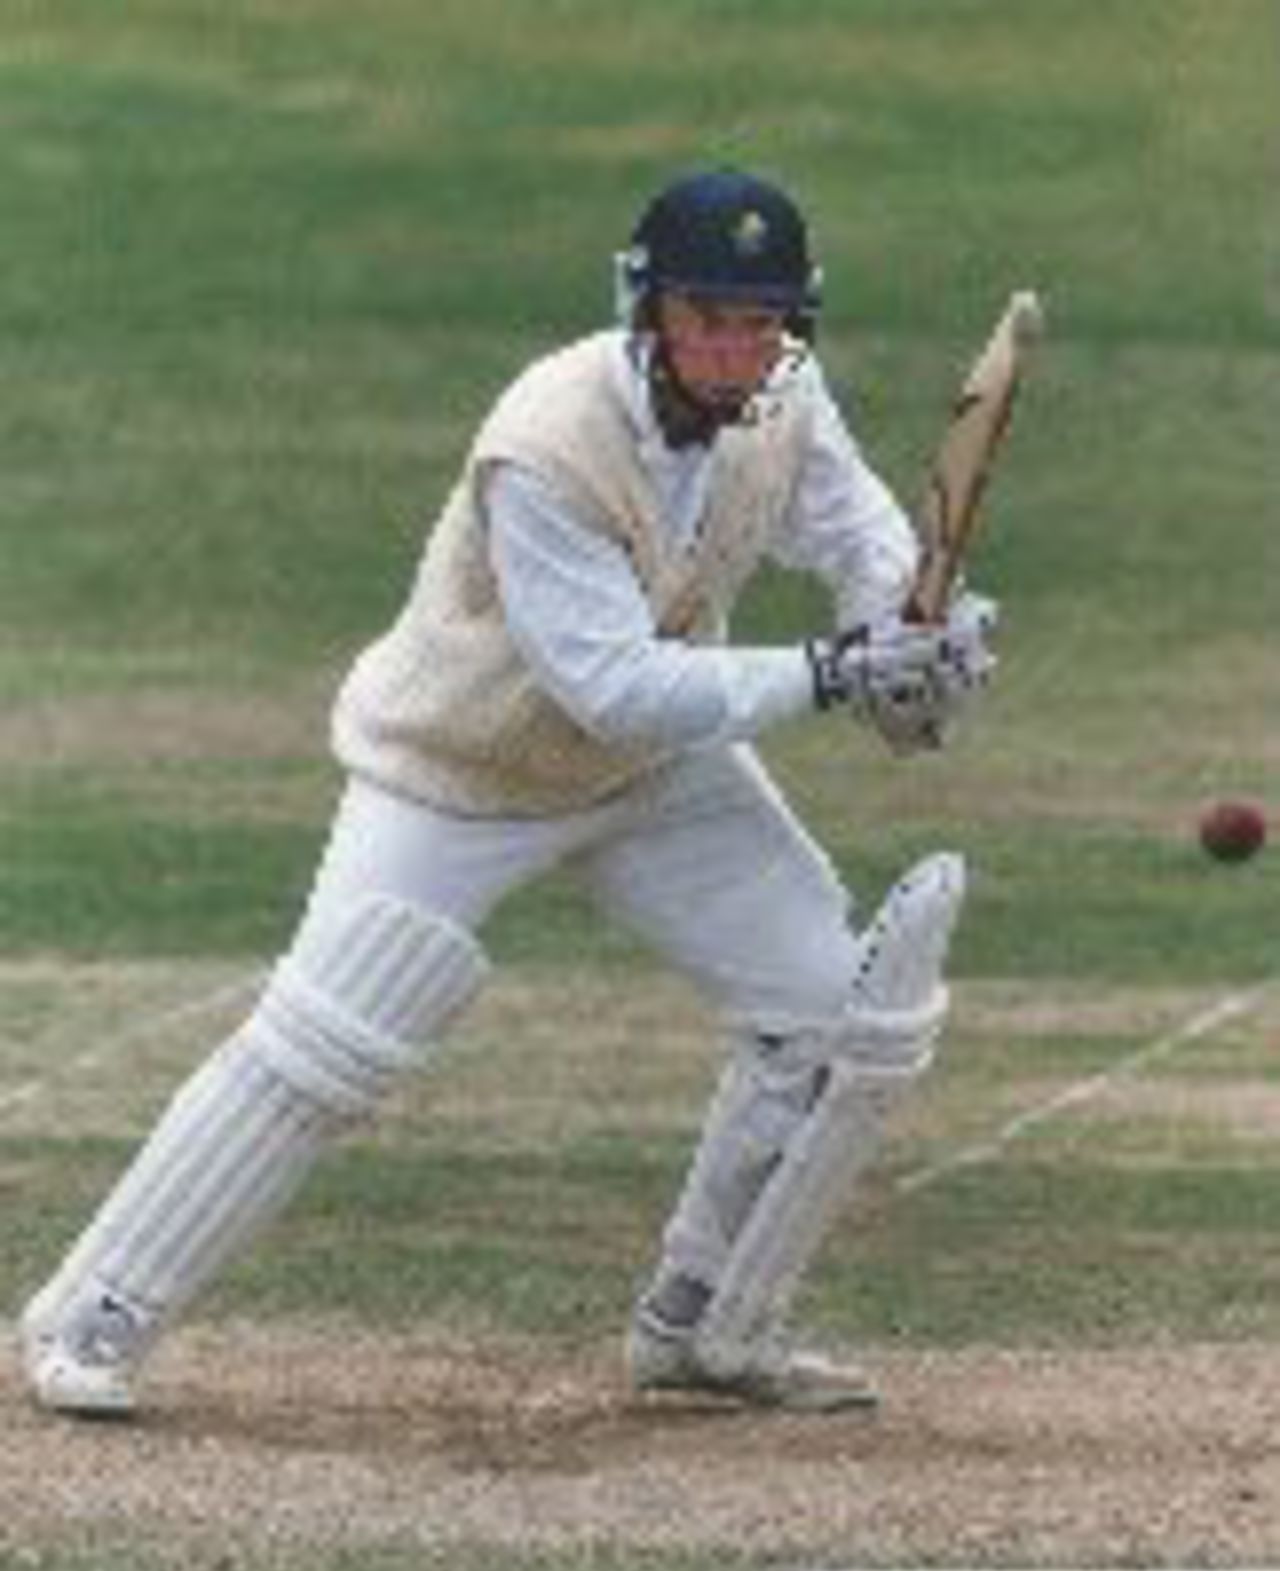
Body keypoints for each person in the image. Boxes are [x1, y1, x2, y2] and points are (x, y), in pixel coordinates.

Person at [18, 167, 995, 1419]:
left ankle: (704, 1319)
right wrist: (835, 670)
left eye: (761, 321)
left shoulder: (780, 391)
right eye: (708, 317)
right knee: (328, 1036)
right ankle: (91, 1316)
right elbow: (611, 685)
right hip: (458, 771)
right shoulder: (545, 442)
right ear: (647, 307)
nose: (735, 347)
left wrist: (916, 629)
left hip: (650, 777)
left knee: (827, 1011)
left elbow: (859, 537)